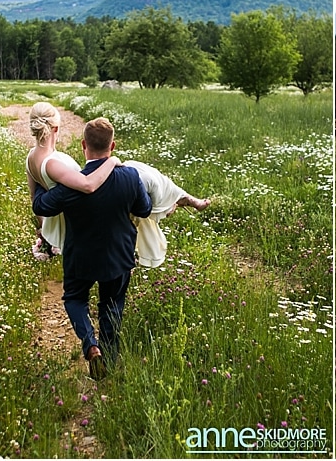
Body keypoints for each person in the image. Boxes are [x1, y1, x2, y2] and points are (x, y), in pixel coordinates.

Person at [32, 118, 152, 379]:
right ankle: (109, 359)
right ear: (113, 145)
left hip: (81, 257)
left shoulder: (71, 183)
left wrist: (39, 183)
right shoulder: (130, 176)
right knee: (112, 304)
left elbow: (41, 207)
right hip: (119, 255)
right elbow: (144, 210)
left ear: (83, 145)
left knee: (75, 299)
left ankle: (90, 344)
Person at [25, 102, 209, 267]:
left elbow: (35, 198)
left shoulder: (31, 157)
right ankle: (171, 204)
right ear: (56, 128)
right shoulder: (52, 163)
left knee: (137, 172)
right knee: (138, 175)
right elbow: (88, 185)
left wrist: (45, 231)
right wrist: (112, 161)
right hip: (85, 204)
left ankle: (175, 201)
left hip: (73, 207)